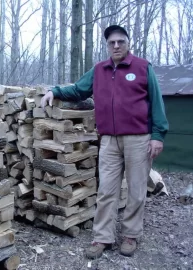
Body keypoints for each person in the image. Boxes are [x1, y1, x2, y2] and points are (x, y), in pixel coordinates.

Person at [41, 25, 169, 259]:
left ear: (128, 43)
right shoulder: (99, 70)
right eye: (112, 43)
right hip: (109, 139)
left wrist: (158, 135)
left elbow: (157, 103)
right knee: (106, 190)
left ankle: (130, 235)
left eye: (121, 41)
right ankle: (103, 237)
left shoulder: (142, 67)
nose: (116, 46)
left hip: (138, 138)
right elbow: (79, 90)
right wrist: (55, 91)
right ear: (107, 46)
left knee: (137, 190)